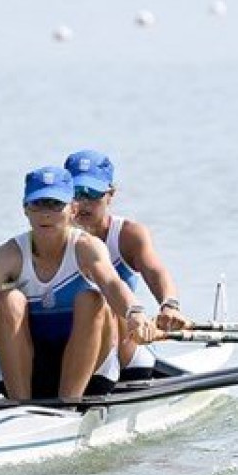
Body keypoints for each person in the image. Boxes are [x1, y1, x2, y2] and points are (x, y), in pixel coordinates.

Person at [0, 166, 159, 400]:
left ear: (72, 209)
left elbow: (113, 285)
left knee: (93, 299)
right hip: (26, 375)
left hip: (90, 376)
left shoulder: (87, 249)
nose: (46, 214)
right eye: (38, 204)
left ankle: (68, 405)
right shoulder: (8, 255)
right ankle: (20, 406)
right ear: (25, 209)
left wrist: (135, 313)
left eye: (55, 204)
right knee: (7, 299)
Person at [65, 150, 188, 380]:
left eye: (92, 193)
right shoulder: (51, 237)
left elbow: (156, 272)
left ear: (110, 195)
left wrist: (169, 305)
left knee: (102, 300)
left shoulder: (129, 235)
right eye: (76, 193)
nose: (83, 204)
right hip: (68, 348)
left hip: (125, 353)